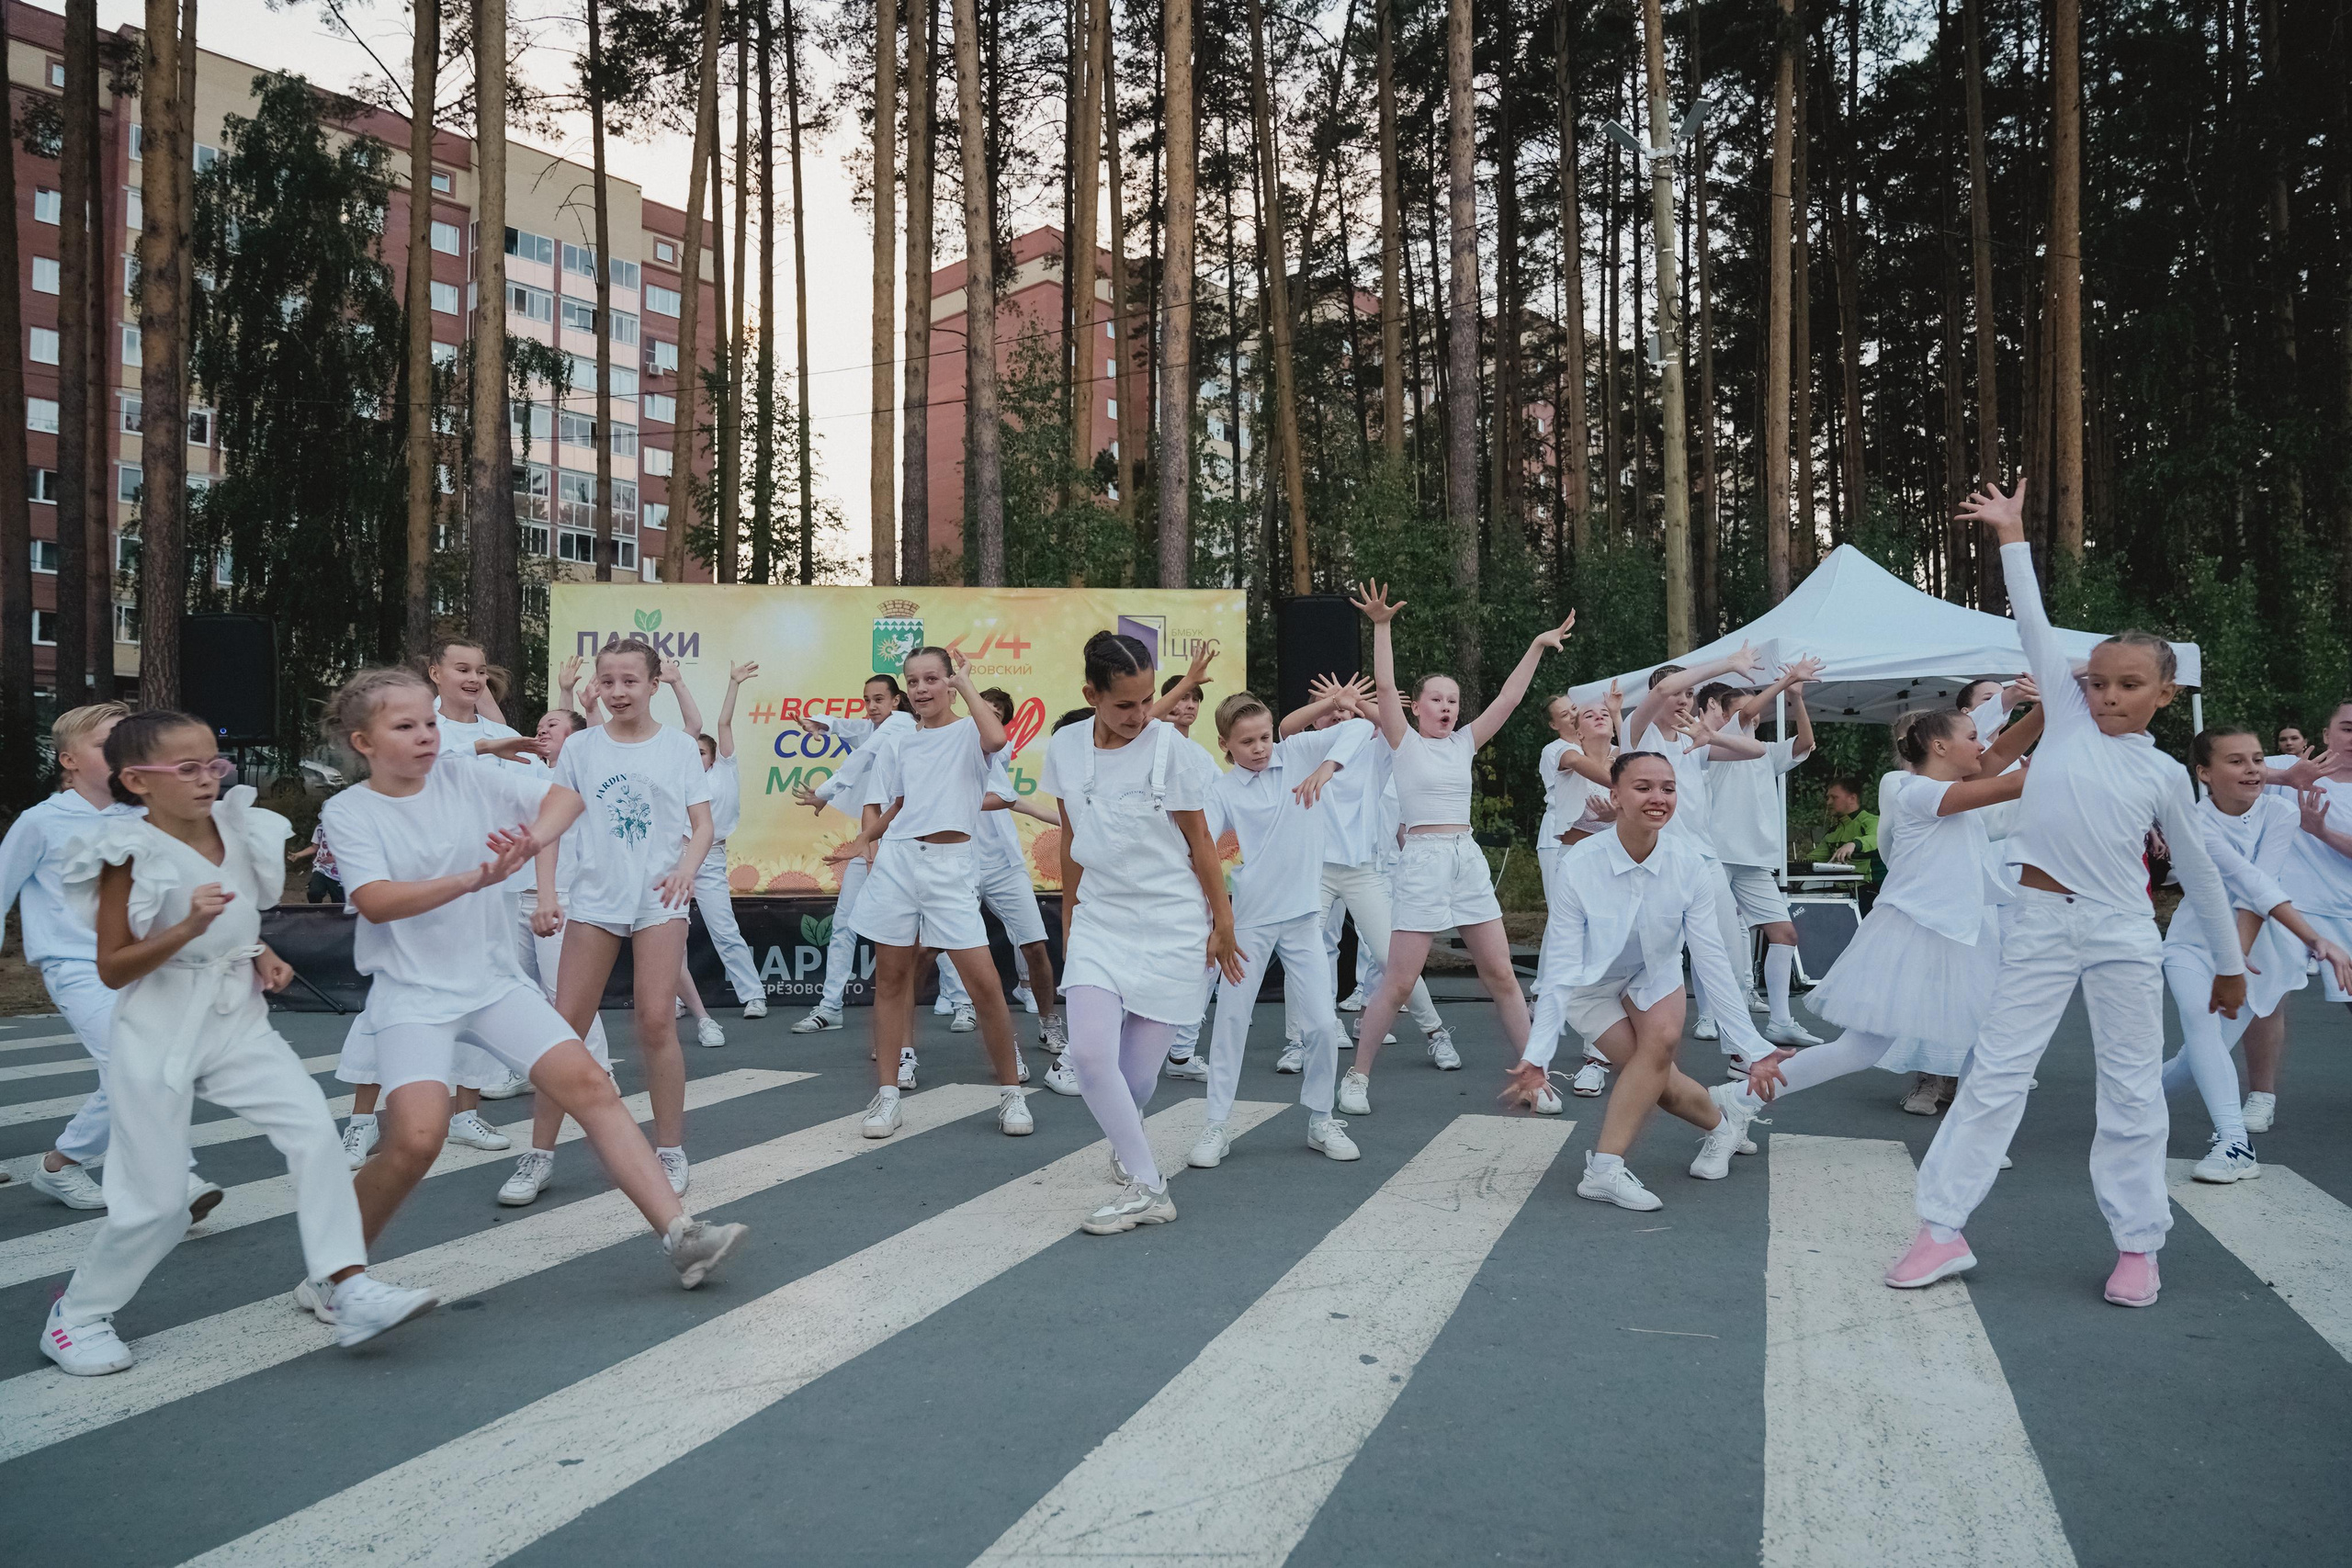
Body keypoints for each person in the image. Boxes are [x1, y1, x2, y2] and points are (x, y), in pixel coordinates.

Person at [1888, 475, 2243, 1310]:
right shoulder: (2071, 724)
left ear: (2165, 694)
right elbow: (2033, 623)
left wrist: (2229, 964)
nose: (2108, 694)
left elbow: (2198, 871)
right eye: (2098, 682)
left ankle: (2137, 1244)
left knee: (2126, 1087)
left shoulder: (2162, 772)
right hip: (2039, 922)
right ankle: (1941, 1227)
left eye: (2128, 685)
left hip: (2124, 931)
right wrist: (2012, 533)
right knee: (1997, 1074)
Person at [318, 668, 745, 1292]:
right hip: (413, 993)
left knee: (591, 1086)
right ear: (363, 742)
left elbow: (565, 799)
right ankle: (332, 1268)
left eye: (431, 722)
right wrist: (475, 876)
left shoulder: (465, 774)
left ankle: (680, 1234)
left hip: (492, 983)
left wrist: (531, 839)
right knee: (415, 1139)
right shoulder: (349, 810)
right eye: (405, 725)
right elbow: (377, 899)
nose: (426, 736)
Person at [39, 709, 435, 1374]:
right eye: (186, 769)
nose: (208, 779)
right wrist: (187, 928)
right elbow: (113, 966)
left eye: (214, 764)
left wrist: (258, 951)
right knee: (161, 1202)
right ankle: (76, 1316)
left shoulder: (239, 825)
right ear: (137, 779)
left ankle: (346, 1284)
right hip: (156, 1025)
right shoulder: (121, 852)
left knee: (313, 1131)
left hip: (236, 1019)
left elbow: (239, 913)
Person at [1732, 703, 2043, 1128]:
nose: (1982, 744)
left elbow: (2002, 757)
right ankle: (1737, 1099)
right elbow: (2018, 780)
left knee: (1987, 1037)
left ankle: (1973, 1135)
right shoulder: (1914, 791)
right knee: (1860, 1049)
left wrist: (2046, 710)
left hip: (1955, 932)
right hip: (1914, 933)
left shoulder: (1948, 784)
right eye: (1972, 737)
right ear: (1938, 746)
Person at [1336, 583, 1575, 1115]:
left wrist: (1536, 646)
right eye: (1437, 700)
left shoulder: (1465, 741)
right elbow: (1385, 680)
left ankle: (1534, 1077)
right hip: (1420, 860)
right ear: (1416, 707)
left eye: (1453, 701)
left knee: (1502, 975)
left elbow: (1510, 699)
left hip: (1465, 858)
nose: (1446, 707)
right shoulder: (1402, 739)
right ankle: (1357, 1075)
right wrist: (1381, 626)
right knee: (1399, 982)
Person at [1503, 752, 1765, 1211]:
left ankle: (1603, 1169)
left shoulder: (1690, 865)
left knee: (1659, 1048)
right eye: (1643, 787)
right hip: (1589, 984)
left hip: (1653, 971)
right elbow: (1561, 966)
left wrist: (1752, 1047)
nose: (1658, 798)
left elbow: (1711, 961)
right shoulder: (1580, 864)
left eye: (1667, 788)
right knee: (1657, 1079)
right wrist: (1537, 1055)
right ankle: (1724, 1125)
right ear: (1616, 797)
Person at [1043, 631, 1240, 1235]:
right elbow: (1072, 835)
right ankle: (1150, 1186)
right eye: (1125, 704)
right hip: (1101, 918)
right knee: (1090, 1056)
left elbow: (1201, 842)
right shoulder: (1066, 748)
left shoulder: (1171, 752)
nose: (1140, 715)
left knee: (1136, 1080)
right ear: (1091, 695)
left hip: (1172, 924)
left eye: (1147, 699)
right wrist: (1071, 911)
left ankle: (1129, 1146)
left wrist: (1222, 922)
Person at [0, 702, 222, 1220]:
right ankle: (177, 1180)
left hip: (138, 963)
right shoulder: (40, 822)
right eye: (106, 745)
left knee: (152, 1067)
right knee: (132, 1061)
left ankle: (61, 1162)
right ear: (68, 760)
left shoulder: (143, 818)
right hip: (74, 966)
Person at [831, 646, 1035, 1139]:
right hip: (899, 863)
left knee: (984, 984)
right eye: (914, 682)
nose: (922, 690)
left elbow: (997, 735)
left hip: (951, 868)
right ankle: (886, 1097)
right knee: (892, 983)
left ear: (947, 682)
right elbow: (899, 802)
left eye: (931, 679)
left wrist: (967, 683)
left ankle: (1011, 1095)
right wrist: (865, 840)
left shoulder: (970, 732)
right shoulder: (900, 741)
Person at [543, 637, 716, 1196]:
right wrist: (548, 892)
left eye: (630, 681)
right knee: (564, 1027)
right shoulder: (581, 748)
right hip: (594, 899)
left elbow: (703, 823)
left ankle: (670, 1149)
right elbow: (549, 825)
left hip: (659, 899)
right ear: (597, 683)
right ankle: (538, 1154)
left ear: (653, 684)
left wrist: (686, 867)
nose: (618, 692)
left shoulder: (680, 749)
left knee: (655, 1021)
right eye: (609, 681)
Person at [2153, 728, 2352, 1183]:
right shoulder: (2190, 822)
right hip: (2193, 944)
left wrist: (2240, 958)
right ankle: (2235, 1141)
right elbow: (2247, 880)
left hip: (2260, 955)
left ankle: (2131, 1102)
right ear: (2204, 772)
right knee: (2199, 1024)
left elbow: (2260, 889)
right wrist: (2310, 938)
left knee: (2198, 1058)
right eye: (2236, 761)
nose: (2252, 770)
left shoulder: (2281, 814)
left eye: (2258, 760)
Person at [1186, 692, 1373, 1170]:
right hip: (1248, 921)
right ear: (1225, 745)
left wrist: (1327, 766)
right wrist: (1215, 920)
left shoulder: (1299, 753)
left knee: (1320, 1024)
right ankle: (1216, 1123)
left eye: (1265, 736)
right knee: (1230, 1020)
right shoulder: (1221, 789)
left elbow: (1357, 729)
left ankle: (1320, 1119)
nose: (1260, 747)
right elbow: (1201, 849)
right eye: (1246, 741)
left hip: (1304, 916)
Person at [1272, 675, 1457, 1075]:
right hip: (1314, 872)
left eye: (1345, 711)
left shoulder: (1377, 749)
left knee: (1395, 959)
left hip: (1362, 871)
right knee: (1301, 954)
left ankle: (1436, 1032)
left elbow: (1386, 724)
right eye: (1328, 712)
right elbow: (1286, 727)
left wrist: (1353, 705)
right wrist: (1332, 703)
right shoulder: (1304, 748)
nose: (1338, 716)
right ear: (1317, 718)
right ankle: (1295, 1042)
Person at [1612, 648, 1771, 1052]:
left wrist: (1712, 735)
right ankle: (1603, 1050)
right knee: (1640, 958)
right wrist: (1730, 664)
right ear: (1654, 696)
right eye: (1677, 693)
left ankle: (1740, 1049)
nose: (1683, 699)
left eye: (1690, 694)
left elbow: (1757, 751)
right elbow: (1666, 682)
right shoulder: (1637, 730)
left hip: (1703, 860)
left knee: (1728, 955)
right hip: (1654, 860)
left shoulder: (1694, 738)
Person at [495, 705, 620, 1207]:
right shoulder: (526, 776)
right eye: (539, 724)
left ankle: (600, 1077)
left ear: (576, 738)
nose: (541, 731)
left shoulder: (585, 776)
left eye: (553, 725)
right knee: (518, 996)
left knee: (566, 1007)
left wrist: (551, 897)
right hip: (519, 900)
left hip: (567, 904)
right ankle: (524, 1071)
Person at [1700, 659, 1825, 1046]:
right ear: (1723, 713)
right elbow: (1751, 710)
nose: (1752, 713)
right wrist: (1786, 679)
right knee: (1715, 941)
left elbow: (1806, 743)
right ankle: (1711, 1018)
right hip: (1717, 856)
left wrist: (1796, 698)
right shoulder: (1717, 744)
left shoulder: (1767, 751)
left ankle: (1781, 1021)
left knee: (1784, 934)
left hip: (1754, 859)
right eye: (1740, 709)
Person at [789, 674, 909, 1032]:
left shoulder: (900, 726)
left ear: (896, 701)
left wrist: (825, 791)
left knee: (925, 927)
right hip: (869, 839)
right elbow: (853, 728)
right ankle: (830, 1007)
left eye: (879, 700)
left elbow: (861, 755)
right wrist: (823, 724)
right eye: (867, 700)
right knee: (843, 923)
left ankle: (960, 1001)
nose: (871, 707)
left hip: (904, 841)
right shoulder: (876, 726)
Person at [660, 660, 772, 1036]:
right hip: (676, 857)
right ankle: (676, 997)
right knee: (673, 930)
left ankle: (753, 995)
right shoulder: (677, 777)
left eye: (703, 752)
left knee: (723, 929)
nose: (697, 756)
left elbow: (722, 723)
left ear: (713, 756)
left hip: (710, 859)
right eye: (691, 752)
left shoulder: (725, 770)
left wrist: (734, 683)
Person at [1817, 778, 1881, 887]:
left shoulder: (1872, 821)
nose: (1828, 802)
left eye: (1834, 797)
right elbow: (1813, 860)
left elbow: (1876, 838)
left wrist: (1854, 844)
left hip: (1872, 890)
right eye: (1828, 798)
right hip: (1843, 892)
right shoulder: (1833, 832)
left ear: (1852, 798)